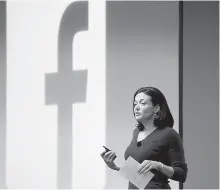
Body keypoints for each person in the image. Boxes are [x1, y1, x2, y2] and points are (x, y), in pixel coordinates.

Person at [100, 87, 188, 189]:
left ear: (156, 108)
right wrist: (114, 167)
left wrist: (159, 165)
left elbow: (182, 175)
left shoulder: (169, 134)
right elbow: (140, 177)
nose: (136, 107)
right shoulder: (136, 132)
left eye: (142, 103)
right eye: (135, 104)